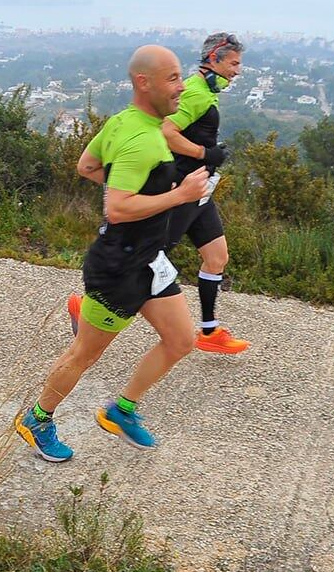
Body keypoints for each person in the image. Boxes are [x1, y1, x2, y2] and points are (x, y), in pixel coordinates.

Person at [16, 45, 209, 462]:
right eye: (173, 78)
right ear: (145, 82)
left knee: (180, 340)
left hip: (149, 261)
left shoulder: (127, 122)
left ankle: (121, 410)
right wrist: (180, 194)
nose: (182, 86)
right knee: (83, 355)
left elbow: (86, 165)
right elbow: (118, 209)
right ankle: (37, 418)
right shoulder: (140, 138)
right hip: (118, 268)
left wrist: (135, 185)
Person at [160, 32, 251, 354]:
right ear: (214, 59)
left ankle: (209, 333)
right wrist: (204, 154)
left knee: (217, 257)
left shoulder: (207, 92)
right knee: (151, 259)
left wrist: (210, 154)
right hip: (183, 189)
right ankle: (87, 308)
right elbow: (166, 132)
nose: (238, 71)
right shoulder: (196, 92)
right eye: (234, 63)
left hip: (201, 191)